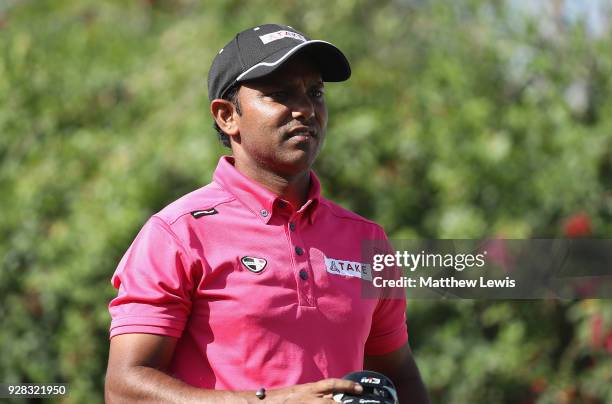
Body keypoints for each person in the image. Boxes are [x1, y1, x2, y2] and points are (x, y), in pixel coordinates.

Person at [105, 24, 430, 403]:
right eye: (280, 94)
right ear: (228, 116)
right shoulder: (177, 234)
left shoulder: (366, 240)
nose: (306, 109)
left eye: (316, 92)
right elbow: (125, 388)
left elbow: (399, 376)